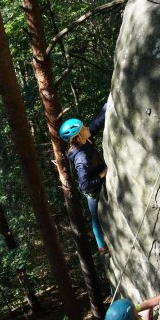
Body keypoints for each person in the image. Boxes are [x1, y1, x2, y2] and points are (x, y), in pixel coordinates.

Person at [59, 102, 109, 255]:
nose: (87, 128)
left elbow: (95, 124)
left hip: (97, 181)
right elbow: (85, 185)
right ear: (79, 137)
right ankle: (101, 246)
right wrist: (102, 174)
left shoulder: (83, 141)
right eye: (83, 129)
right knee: (95, 218)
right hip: (92, 191)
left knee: (97, 217)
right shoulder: (81, 158)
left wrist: (108, 105)